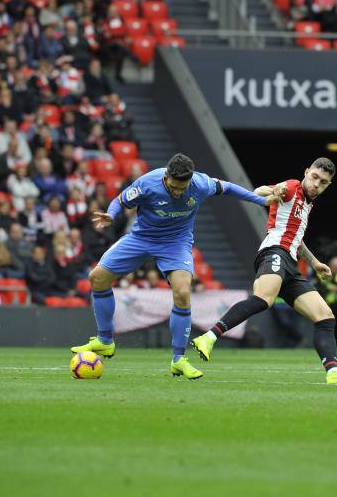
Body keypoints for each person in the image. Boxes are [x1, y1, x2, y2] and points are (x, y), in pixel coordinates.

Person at [70, 154, 278, 380]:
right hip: (141, 238)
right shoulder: (148, 183)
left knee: (182, 293)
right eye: (174, 186)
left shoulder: (200, 183)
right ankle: (105, 340)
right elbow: (121, 200)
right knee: (97, 278)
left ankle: (179, 359)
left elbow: (227, 188)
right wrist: (111, 215)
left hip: (175, 243)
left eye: (183, 187)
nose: (179, 191)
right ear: (166, 177)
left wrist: (260, 200)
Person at [191, 158, 337, 385]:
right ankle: (208, 337)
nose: (316, 184)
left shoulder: (308, 203)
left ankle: (334, 372)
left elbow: (297, 240)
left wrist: (315, 263)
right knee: (264, 299)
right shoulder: (293, 186)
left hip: (290, 263)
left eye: (323, 182)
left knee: (325, 316)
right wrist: (276, 190)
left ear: (328, 186)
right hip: (274, 251)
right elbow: (260, 191)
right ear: (306, 172)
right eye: (314, 177)